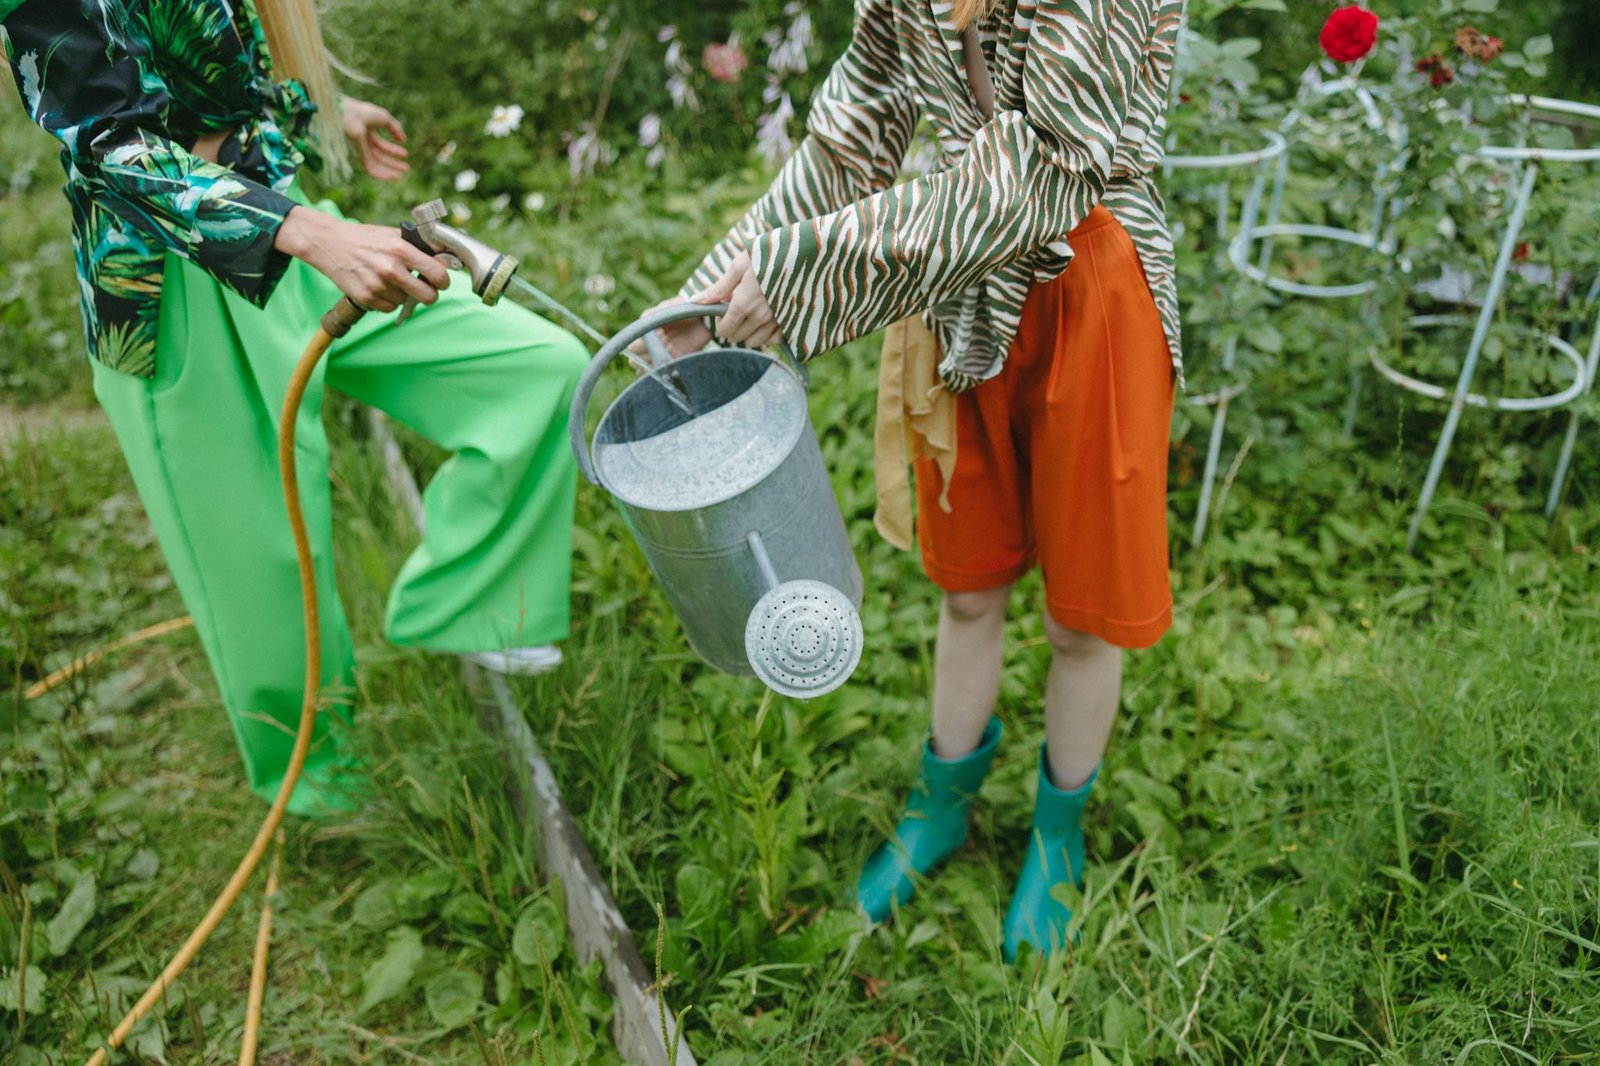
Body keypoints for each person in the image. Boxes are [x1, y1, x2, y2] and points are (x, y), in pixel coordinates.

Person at [651, 0, 1185, 960]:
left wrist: (813, 270)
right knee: (969, 584)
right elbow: (851, 146)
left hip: (1091, 289)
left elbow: (1050, 169)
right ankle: (940, 806)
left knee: (1080, 615)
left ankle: (1056, 839)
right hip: (959, 290)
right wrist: (717, 285)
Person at [1, 0, 588, 815]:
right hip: (176, 284)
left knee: (537, 370)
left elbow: (213, 67)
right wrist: (311, 232)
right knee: (264, 568)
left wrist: (327, 113)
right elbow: (110, 147)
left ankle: (463, 607)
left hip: (289, 223)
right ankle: (324, 803)